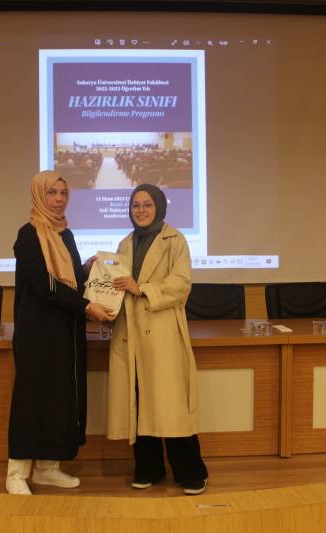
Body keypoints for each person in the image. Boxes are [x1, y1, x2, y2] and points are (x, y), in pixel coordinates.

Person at [6, 170, 114, 495]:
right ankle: (16, 473)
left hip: (65, 331)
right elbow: (46, 285)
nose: (58, 200)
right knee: (31, 399)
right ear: (39, 195)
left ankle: (47, 469)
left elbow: (70, 281)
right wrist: (86, 306)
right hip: (37, 333)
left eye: (63, 194)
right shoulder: (28, 235)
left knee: (60, 399)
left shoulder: (65, 235)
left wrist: (87, 270)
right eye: (51, 193)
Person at [107, 184, 209, 495]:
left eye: (147, 204)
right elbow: (118, 286)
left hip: (162, 332)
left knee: (171, 405)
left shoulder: (175, 240)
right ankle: (149, 468)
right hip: (131, 334)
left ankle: (191, 472)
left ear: (159, 207)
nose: (141, 210)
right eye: (135, 205)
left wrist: (142, 289)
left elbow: (181, 284)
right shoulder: (125, 243)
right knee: (139, 402)